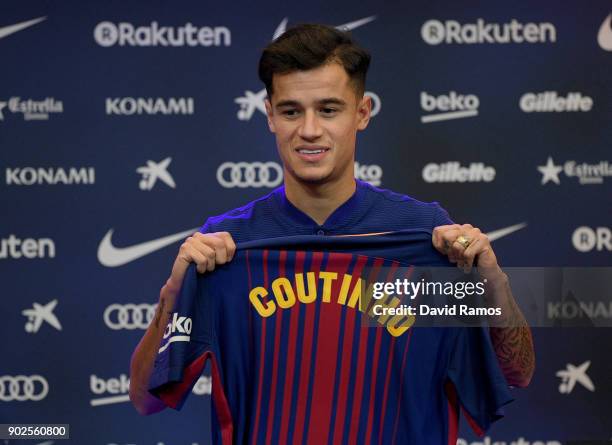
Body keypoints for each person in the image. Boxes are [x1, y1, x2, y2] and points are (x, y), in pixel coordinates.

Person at [129, 22, 534, 428]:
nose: (309, 130)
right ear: (270, 116)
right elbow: (146, 399)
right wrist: (173, 295)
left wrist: (494, 282)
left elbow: (518, 373)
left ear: (361, 113)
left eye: (328, 109)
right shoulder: (226, 247)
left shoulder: (426, 236)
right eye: (291, 111)